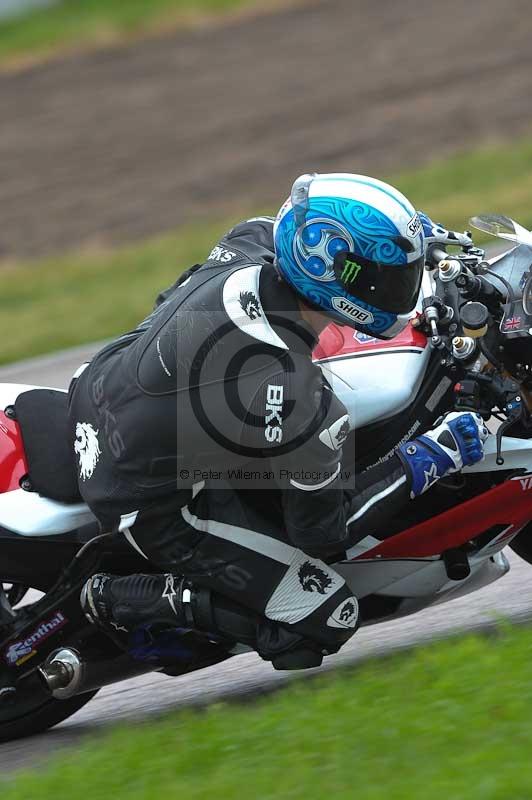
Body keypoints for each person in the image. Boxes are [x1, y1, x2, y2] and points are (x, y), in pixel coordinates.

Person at [71, 173, 487, 670]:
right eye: (388, 277)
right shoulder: (294, 395)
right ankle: (123, 596)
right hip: (146, 498)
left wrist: (422, 242)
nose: (403, 287)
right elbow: (328, 533)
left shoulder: (254, 240)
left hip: (100, 382)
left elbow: (298, 223)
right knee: (327, 614)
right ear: (334, 280)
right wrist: (431, 455)